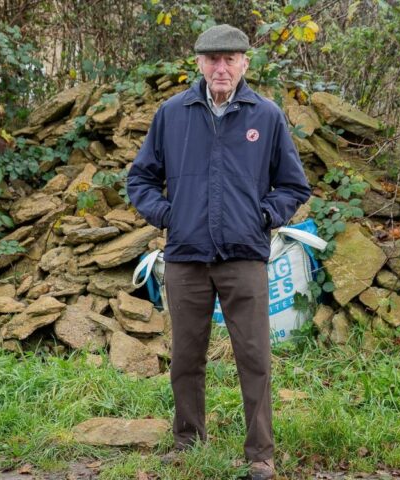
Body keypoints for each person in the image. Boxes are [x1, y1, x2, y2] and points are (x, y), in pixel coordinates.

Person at [127, 24, 311, 480]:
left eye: (230, 59)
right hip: (187, 258)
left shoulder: (265, 116)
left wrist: (262, 217)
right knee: (187, 358)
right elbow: (140, 179)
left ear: (246, 62)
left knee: (254, 357)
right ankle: (188, 444)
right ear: (199, 64)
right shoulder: (173, 114)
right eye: (213, 59)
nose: (221, 67)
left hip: (244, 258)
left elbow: (293, 185)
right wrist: (170, 216)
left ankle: (260, 455)